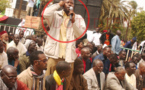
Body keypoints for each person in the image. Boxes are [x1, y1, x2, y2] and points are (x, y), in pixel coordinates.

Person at [43, 0, 86, 89]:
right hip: (54, 55)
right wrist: (58, 4)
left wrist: (73, 22)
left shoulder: (78, 18)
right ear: (63, 3)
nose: (70, 4)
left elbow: (81, 34)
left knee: (66, 84)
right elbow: (45, 14)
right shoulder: (55, 15)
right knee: (49, 83)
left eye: (72, 3)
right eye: (67, 2)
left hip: (68, 57)